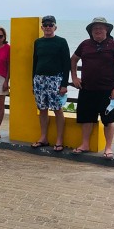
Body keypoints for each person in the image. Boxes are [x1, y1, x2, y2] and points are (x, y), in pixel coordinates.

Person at [71, 17, 114, 159]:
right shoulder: (85, 44)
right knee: (86, 119)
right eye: (95, 28)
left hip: (108, 90)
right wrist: (74, 77)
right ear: (91, 31)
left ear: (106, 30)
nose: (98, 30)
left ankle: (108, 147)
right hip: (87, 89)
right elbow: (73, 60)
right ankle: (85, 144)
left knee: (108, 120)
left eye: (101, 28)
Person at [31, 15, 70, 152]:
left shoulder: (61, 42)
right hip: (39, 79)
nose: (48, 27)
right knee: (42, 109)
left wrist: (64, 84)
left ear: (55, 27)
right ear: (42, 27)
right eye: (45, 24)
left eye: (50, 24)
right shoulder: (38, 42)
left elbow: (67, 64)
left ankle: (59, 139)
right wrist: (33, 82)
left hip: (55, 80)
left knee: (57, 109)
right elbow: (35, 62)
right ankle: (43, 137)